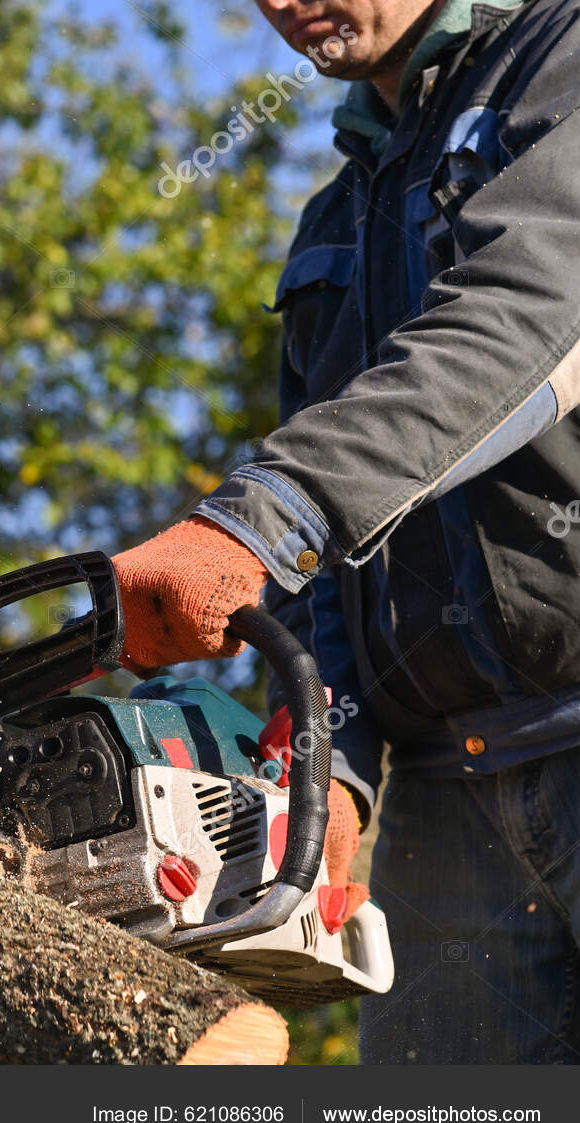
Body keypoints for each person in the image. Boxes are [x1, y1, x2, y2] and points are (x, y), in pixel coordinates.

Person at [113, 0, 580, 1062]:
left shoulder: (563, 61)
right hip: (444, 800)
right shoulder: (339, 214)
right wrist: (337, 770)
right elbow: (333, 566)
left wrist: (259, 517)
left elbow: (528, 320)